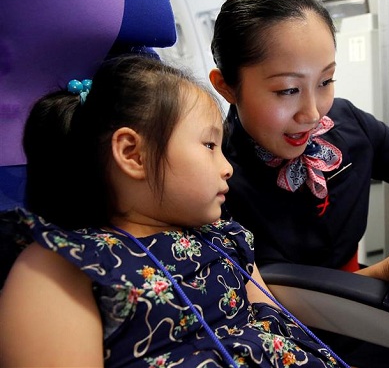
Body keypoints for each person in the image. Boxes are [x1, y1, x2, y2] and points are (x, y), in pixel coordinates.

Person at [0, 55, 349, 368]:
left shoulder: (224, 240)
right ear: (133, 154)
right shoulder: (65, 264)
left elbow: (281, 328)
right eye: (210, 145)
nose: (227, 168)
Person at [208, 0, 389, 367]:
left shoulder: (346, 122)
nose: (312, 113)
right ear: (227, 87)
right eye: (287, 90)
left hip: (369, 322)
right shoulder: (213, 175)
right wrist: (386, 272)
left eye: (325, 81)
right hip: (287, 343)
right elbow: (262, 300)